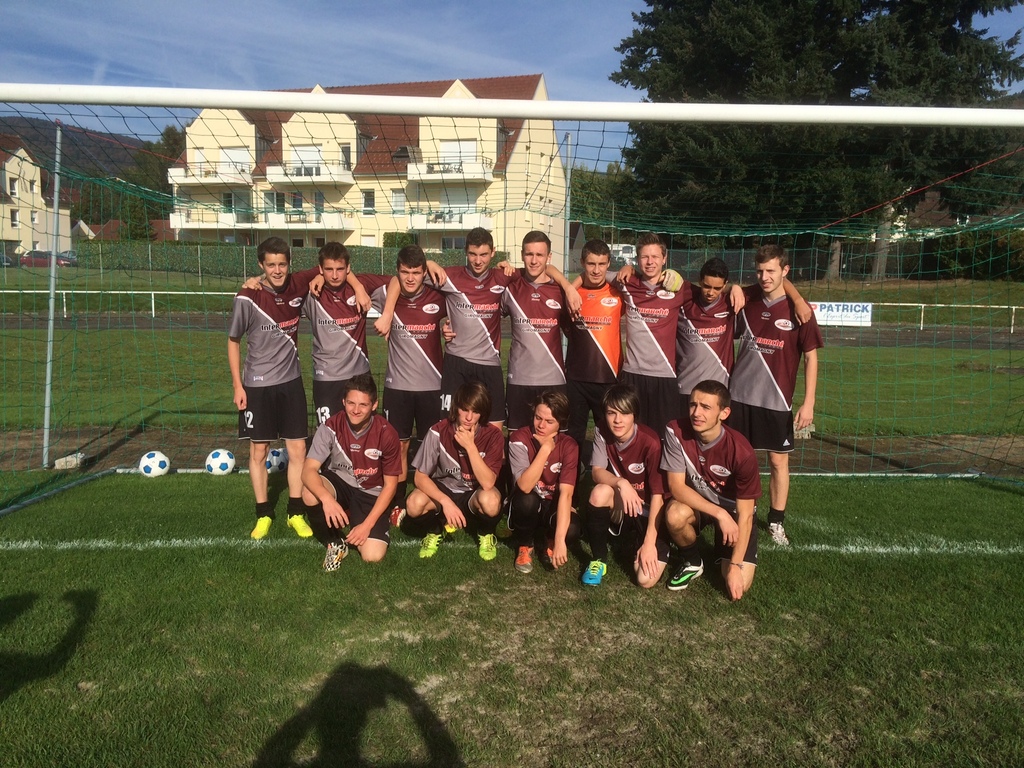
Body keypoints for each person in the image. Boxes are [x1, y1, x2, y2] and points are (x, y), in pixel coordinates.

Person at [728, 244, 823, 546]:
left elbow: (811, 358)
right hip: (739, 396)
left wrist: (809, 403)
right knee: (736, 458)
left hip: (777, 400)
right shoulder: (747, 299)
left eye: (771, 270)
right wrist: (734, 287)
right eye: (759, 271)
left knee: (778, 462)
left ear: (785, 271)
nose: (764, 277)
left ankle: (776, 521)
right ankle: (735, 510)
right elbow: (725, 292)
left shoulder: (800, 310)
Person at [228, 236, 321, 540]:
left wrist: (331, 280)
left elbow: (329, 266)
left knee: (298, 449)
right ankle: (264, 514)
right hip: (257, 386)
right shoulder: (247, 296)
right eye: (271, 265)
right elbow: (233, 341)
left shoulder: (298, 284)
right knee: (259, 450)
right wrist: (238, 385)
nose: (277, 270)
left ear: (289, 263)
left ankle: (295, 512)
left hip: (291, 383)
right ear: (261, 265)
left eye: (282, 264)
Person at [376, 228, 510, 427]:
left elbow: (538, 271)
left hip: (489, 362)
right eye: (472, 254)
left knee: (493, 429)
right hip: (456, 362)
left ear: (493, 252)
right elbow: (400, 277)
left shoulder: (503, 276)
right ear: (465, 252)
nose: (478, 260)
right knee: (452, 426)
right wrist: (429, 263)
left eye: (483, 254)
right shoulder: (449, 277)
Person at [660, 380, 762, 600]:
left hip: (734, 512)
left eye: (706, 407)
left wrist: (735, 566)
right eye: (693, 405)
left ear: (724, 413)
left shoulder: (742, 452)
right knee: (674, 514)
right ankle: (693, 560)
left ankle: (724, 552)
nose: (696, 413)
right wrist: (719, 514)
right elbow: (676, 487)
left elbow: (745, 514)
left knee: (737, 584)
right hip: (702, 504)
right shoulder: (675, 431)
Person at [367, 244, 448, 518]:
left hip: (432, 387)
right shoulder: (387, 293)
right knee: (398, 446)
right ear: (397, 272)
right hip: (398, 388)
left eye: (416, 272)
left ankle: (431, 499)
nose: (410, 278)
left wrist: (448, 328)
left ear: (424, 272)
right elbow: (350, 277)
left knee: (432, 447)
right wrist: (387, 312)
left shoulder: (438, 295)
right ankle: (398, 503)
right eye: (404, 272)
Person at [676, 256, 812, 409]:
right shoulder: (686, 299)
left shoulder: (730, 302)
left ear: (724, 285)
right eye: (707, 286)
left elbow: (780, 280)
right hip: (684, 387)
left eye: (717, 288)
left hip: (720, 390)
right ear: (700, 281)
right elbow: (669, 282)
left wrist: (798, 300)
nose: (711, 292)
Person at [300, 374, 401, 569]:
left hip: (371, 491)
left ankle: (357, 518)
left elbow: (390, 486)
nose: (356, 410)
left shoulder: (387, 433)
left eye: (363, 405)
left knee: (372, 556)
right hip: (341, 482)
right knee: (310, 493)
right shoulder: (331, 426)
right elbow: (308, 470)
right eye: (351, 403)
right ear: (343, 402)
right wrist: (327, 499)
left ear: (374, 405)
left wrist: (367, 526)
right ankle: (335, 542)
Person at [405, 381, 504, 561]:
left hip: (474, 492)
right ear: (456, 407)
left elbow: (488, 483)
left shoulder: (493, 435)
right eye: (464, 409)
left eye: (475, 411)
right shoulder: (438, 431)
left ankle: (485, 532)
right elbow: (419, 477)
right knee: (414, 504)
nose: (469, 417)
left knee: (491, 501)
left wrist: (470, 447)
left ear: (482, 413)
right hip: (445, 489)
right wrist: (446, 502)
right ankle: (435, 530)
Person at [582, 384, 665, 588]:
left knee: (645, 580)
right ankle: (599, 560)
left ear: (634, 414)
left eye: (624, 413)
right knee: (599, 492)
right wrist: (621, 482)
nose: (617, 420)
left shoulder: (651, 442)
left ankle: (650, 541)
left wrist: (649, 543)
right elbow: (597, 472)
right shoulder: (601, 429)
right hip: (624, 503)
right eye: (611, 413)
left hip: (649, 511)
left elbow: (658, 496)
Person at [501, 231, 572, 430]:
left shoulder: (560, 291)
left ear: (549, 257)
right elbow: (484, 314)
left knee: (554, 441)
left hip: (553, 378)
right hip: (519, 379)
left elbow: (574, 332)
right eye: (529, 254)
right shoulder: (510, 288)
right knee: (517, 439)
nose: (534, 260)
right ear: (522, 255)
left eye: (539, 255)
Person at [506, 390, 580, 574]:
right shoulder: (519, 438)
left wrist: (561, 540)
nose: (541, 425)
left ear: (561, 422)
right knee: (526, 500)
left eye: (549, 421)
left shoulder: (569, 445)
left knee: (572, 528)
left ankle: (551, 541)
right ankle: (525, 544)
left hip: (552, 504)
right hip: (528, 502)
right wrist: (545, 449)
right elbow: (524, 486)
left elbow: (566, 494)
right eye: (538, 418)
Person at [563, 239, 623, 448]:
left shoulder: (619, 293)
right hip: (576, 379)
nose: (596, 270)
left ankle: (604, 469)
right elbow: (566, 327)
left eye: (601, 264)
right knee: (573, 435)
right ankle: (573, 469)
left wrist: (629, 268)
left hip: (608, 378)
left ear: (608, 264)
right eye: (591, 264)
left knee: (609, 434)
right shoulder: (571, 295)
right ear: (582, 263)